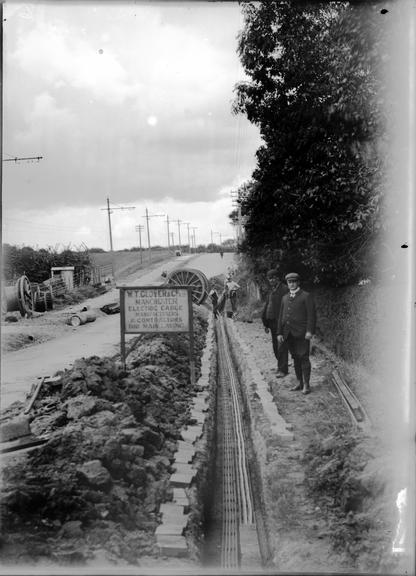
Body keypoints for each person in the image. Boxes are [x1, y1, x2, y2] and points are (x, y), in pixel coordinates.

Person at [278, 272, 316, 395]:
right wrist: (279, 333)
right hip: (288, 334)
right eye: (290, 282)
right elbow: (281, 317)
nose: (292, 284)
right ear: (287, 283)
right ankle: (299, 382)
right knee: (295, 358)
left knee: (304, 357)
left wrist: (309, 331)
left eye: (294, 281)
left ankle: (306, 384)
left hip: (302, 333)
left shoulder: (306, 296)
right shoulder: (284, 298)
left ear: (298, 282)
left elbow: (312, 316)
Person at [262, 268, 289, 378]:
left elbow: (287, 308)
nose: (271, 280)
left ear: (277, 278)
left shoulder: (284, 290)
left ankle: (283, 369)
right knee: (275, 346)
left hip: (281, 323)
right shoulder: (272, 290)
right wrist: (265, 323)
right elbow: (268, 306)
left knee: (281, 346)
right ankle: (280, 366)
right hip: (272, 323)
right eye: (269, 279)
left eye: (273, 278)